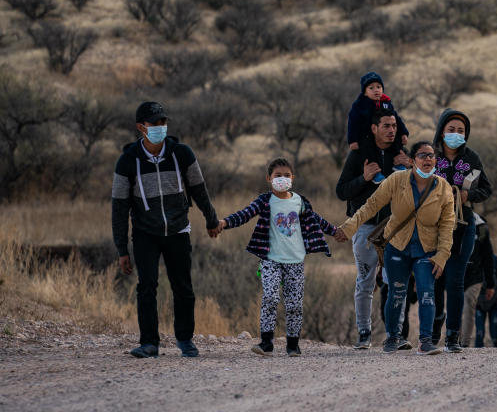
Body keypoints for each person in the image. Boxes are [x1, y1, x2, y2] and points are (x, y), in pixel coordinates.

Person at [111, 101, 220, 359]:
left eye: (163, 122)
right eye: (154, 123)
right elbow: (119, 207)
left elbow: (199, 190)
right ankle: (149, 343)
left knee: (183, 287)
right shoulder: (128, 161)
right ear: (141, 127)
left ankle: (185, 340)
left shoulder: (182, 153)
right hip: (145, 233)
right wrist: (121, 248)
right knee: (146, 286)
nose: (160, 127)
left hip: (178, 230)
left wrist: (211, 219)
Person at [335, 140, 456, 355]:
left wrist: (442, 254)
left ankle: (425, 341)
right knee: (397, 292)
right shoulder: (397, 180)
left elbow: (448, 224)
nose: (428, 159)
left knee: (427, 293)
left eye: (431, 155)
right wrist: (349, 227)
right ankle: (392, 337)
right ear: (411, 161)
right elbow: (371, 205)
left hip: (426, 250)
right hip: (397, 246)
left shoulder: (443, 187)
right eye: (422, 155)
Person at [218, 158, 339, 357]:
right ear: (268, 178)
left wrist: (335, 232)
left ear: (293, 178)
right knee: (270, 298)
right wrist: (225, 222)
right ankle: (266, 343)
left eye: (286, 175)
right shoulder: (264, 201)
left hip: (295, 260)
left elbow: (317, 220)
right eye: (277, 175)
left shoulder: (299, 201)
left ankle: (293, 344)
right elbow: (245, 214)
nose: (282, 179)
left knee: (294, 304)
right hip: (270, 259)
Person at [335, 109, 411, 350]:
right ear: (374, 128)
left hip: (394, 227)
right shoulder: (358, 155)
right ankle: (364, 333)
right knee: (365, 280)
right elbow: (341, 191)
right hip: (365, 227)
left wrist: (410, 166)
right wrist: (364, 179)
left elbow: (420, 187)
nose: (391, 130)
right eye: (386, 126)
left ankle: (396, 334)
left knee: (395, 280)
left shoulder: (401, 154)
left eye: (394, 126)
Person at [430, 108, 493, 353]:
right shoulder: (429, 154)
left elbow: (486, 188)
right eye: (451, 129)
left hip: (463, 224)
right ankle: (435, 325)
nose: (456, 134)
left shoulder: (472, 159)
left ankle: (453, 336)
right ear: (441, 131)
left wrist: (469, 194)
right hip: (432, 227)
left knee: (456, 281)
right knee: (435, 280)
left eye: (461, 131)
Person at [347, 71, 409, 151]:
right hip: (367, 136)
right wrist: (353, 140)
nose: (376, 90)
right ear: (365, 92)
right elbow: (353, 123)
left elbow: (396, 119)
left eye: (378, 87)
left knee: (398, 145)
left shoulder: (386, 102)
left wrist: (403, 133)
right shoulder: (360, 105)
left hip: (385, 136)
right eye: (371, 88)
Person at [460, 220, 495, 346]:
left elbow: (488, 255)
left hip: (475, 276)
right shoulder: (449, 217)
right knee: (454, 306)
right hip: (456, 272)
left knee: (469, 305)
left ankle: (464, 342)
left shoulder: (480, 225)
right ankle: (453, 339)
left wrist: (490, 284)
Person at [475, 253, 497, 348]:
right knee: (479, 333)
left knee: (495, 334)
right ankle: (475, 359)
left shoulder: (496, 260)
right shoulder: (473, 258)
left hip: (495, 302)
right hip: (478, 303)